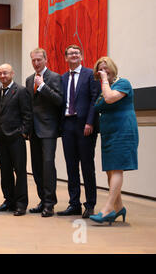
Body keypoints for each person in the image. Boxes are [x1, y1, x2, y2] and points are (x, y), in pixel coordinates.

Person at [90, 57, 138, 225]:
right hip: (109, 134)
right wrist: (104, 84)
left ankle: (108, 209)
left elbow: (109, 98)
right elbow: (98, 104)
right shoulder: (105, 87)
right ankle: (119, 208)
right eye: (100, 70)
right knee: (110, 170)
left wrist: (104, 81)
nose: (104, 71)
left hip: (123, 132)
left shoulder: (123, 83)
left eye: (106, 68)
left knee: (117, 168)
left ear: (112, 69)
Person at [57, 45, 100, 219]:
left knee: (87, 166)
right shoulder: (63, 78)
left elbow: (94, 100)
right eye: (70, 53)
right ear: (66, 58)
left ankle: (90, 205)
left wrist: (90, 122)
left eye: (77, 53)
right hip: (67, 125)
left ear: (81, 56)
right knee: (71, 167)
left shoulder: (90, 75)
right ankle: (74, 204)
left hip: (85, 126)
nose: (74, 55)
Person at [25, 48, 63, 217]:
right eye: (33, 60)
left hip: (48, 129)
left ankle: (50, 203)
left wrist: (43, 87)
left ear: (46, 60)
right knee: (36, 167)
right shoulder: (28, 80)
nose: (36, 63)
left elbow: (59, 100)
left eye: (39, 60)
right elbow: (28, 106)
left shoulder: (54, 77)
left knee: (48, 165)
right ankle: (42, 200)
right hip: (33, 130)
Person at [0, 63, 32, 216]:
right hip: (0, 139)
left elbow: (27, 115)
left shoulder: (21, 91)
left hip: (16, 138)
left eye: (5, 73)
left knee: (19, 171)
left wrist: (23, 133)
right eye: (0, 73)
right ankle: (8, 200)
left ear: (12, 73)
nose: (3, 76)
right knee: (5, 171)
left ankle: (21, 204)